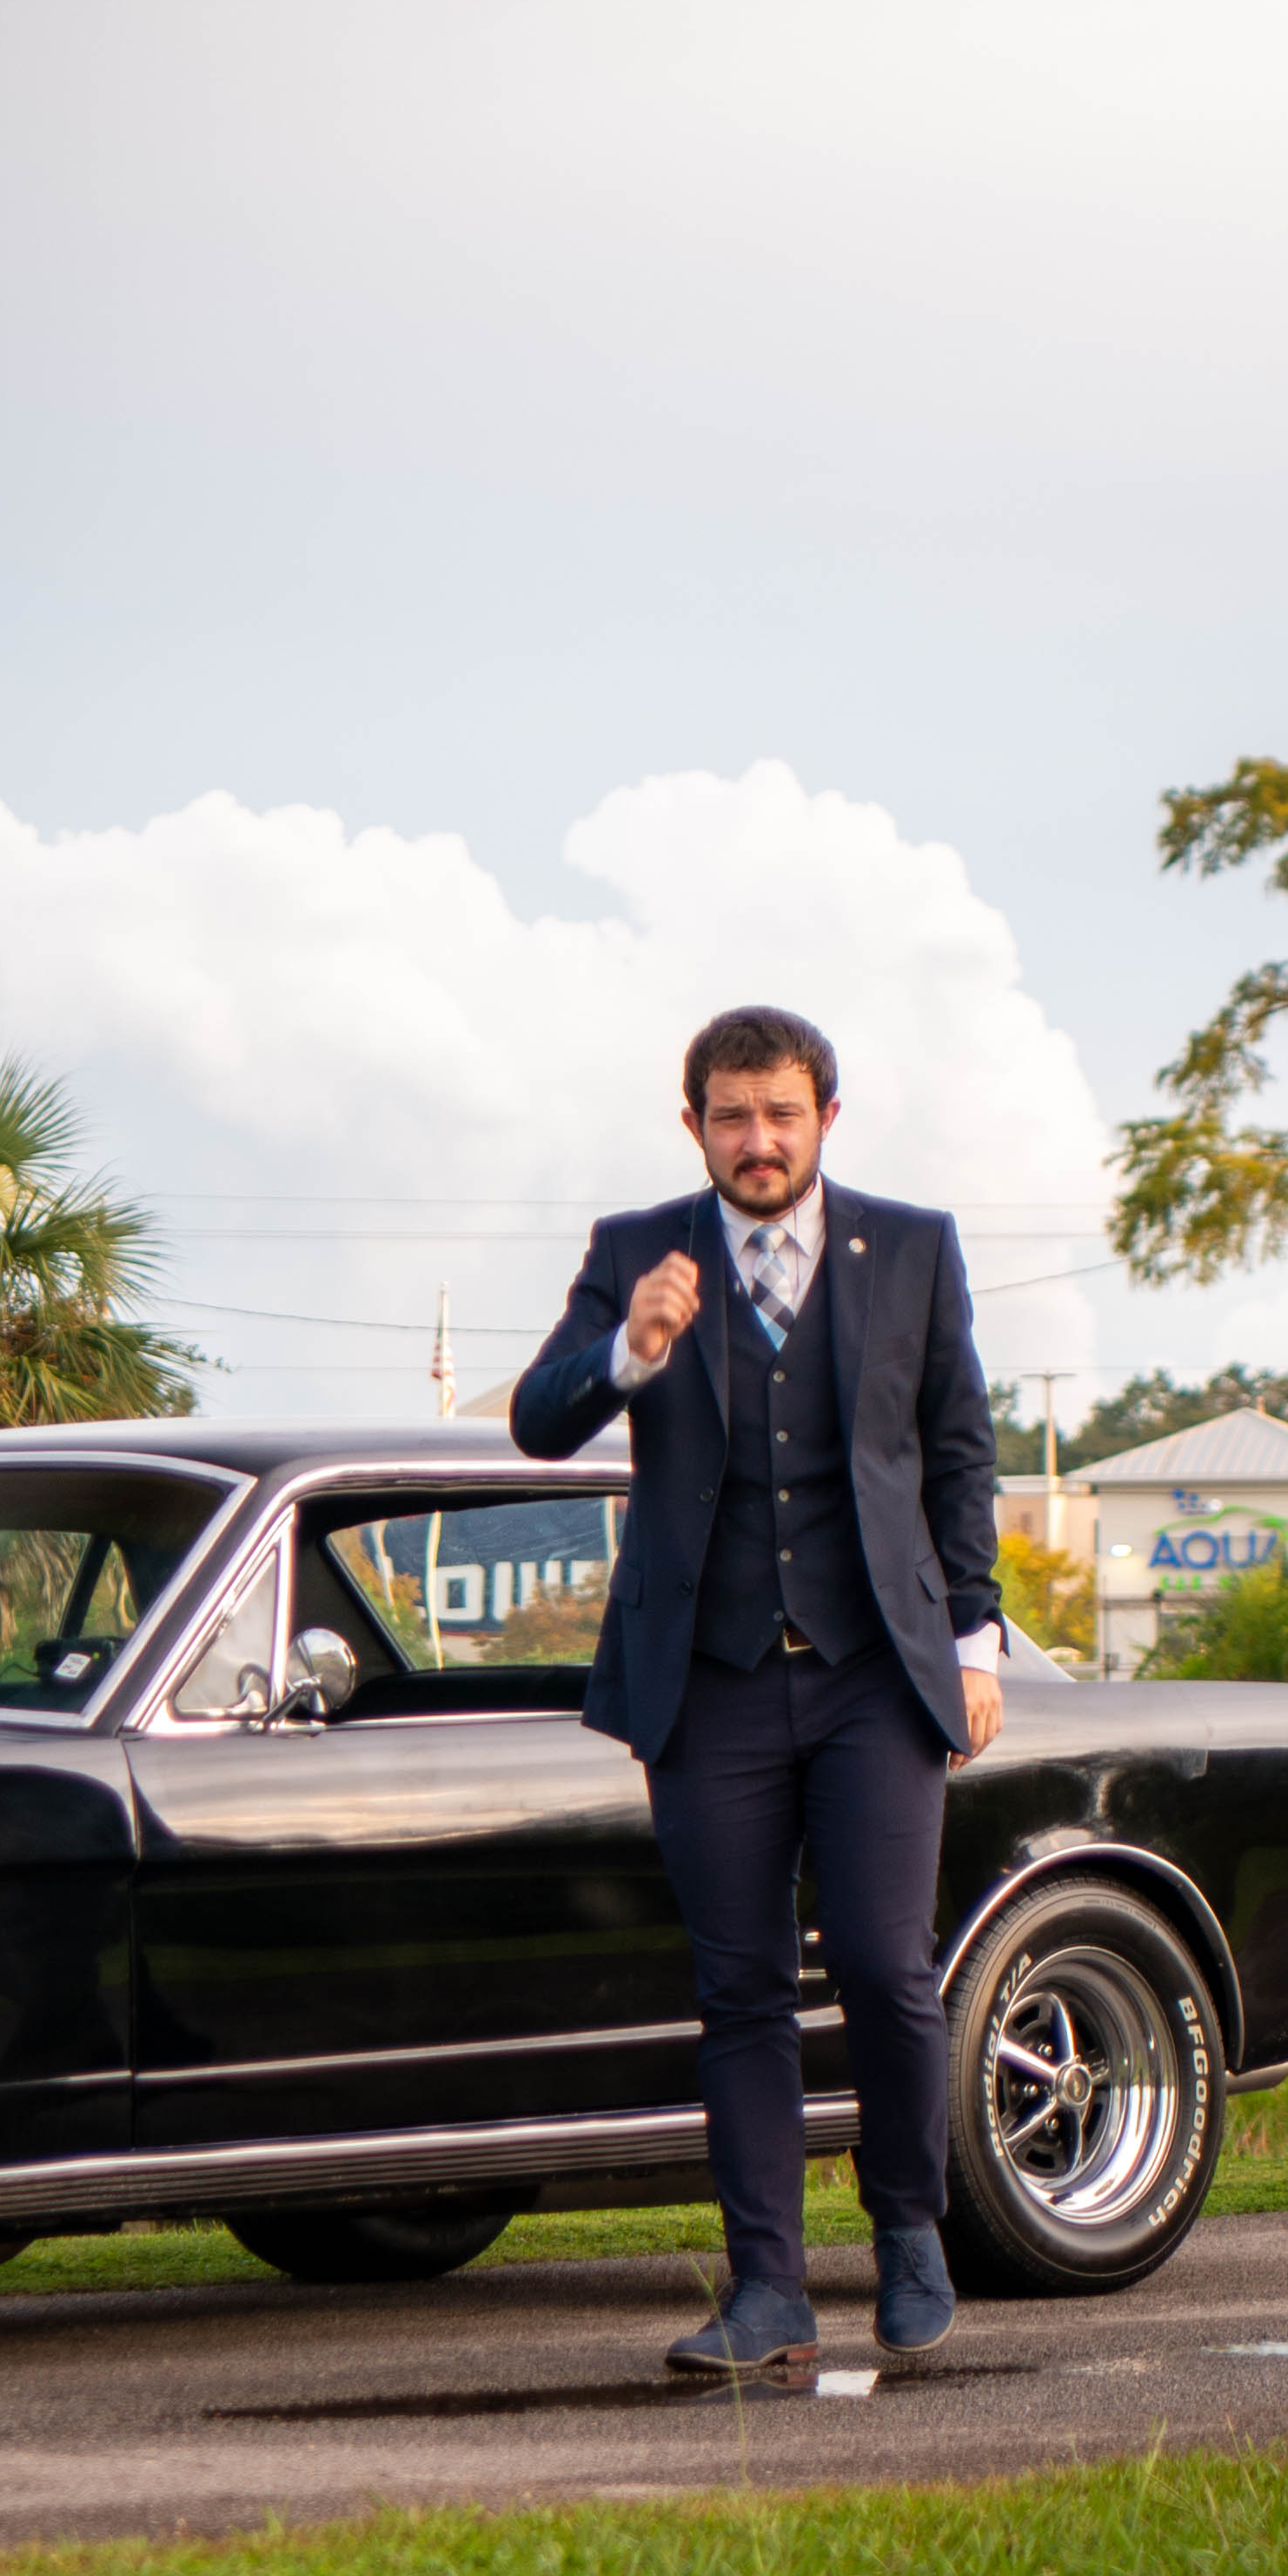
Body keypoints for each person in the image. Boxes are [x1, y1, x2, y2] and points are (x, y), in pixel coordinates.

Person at [507, 1006, 1002, 2383]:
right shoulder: (632, 1254)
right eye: (732, 1116)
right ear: (695, 1126)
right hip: (709, 1688)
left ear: (824, 1118)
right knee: (740, 1994)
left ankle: (909, 2236)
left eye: (782, 1113)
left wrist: (977, 1641)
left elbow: (959, 1451)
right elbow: (538, 1420)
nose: (759, 1139)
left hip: (875, 1681)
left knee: (891, 1975)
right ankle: (769, 2289)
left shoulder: (909, 1249)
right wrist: (632, 1354)